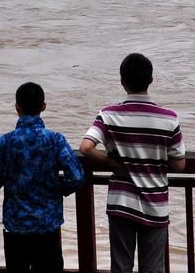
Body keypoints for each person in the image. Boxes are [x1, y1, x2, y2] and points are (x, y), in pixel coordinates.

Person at [80, 53, 186, 273]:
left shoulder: (109, 115)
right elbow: (179, 165)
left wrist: (113, 164)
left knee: (121, 266)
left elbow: (86, 148)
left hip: (121, 202)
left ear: (122, 81)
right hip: (155, 204)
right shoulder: (169, 118)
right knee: (153, 268)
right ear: (151, 80)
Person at [0, 82, 84, 273]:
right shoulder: (55, 140)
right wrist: (59, 189)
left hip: (15, 225)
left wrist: (9, 179)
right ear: (43, 106)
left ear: (16, 107)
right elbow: (77, 176)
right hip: (47, 224)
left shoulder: (5, 141)